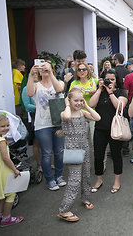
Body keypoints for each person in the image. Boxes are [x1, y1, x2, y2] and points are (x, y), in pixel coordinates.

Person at [57, 88, 101, 222]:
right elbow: (67, 117)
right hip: (73, 150)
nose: (78, 103)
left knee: (86, 175)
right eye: (75, 100)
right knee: (74, 180)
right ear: (69, 100)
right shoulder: (65, 112)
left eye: (80, 100)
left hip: (85, 148)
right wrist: (67, 105)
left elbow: (97, 117)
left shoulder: (82, 112)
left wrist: (86, 105)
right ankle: (64, 210)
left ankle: (85, 198)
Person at [26, 61, 66, 191]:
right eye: (41, 67)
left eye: (46, 67)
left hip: (58, 124)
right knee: (47, 153)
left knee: (59, 152)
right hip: (43, 125)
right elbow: (29, 93)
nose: (43, 69)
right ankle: (49, 179)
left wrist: (50, 73)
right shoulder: (37, 85)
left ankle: (59, 176)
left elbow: (59, 89)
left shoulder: (59, 82)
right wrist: (32, 75)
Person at [89, 69, 128, 194]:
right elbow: (91, 104)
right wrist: (100, 89)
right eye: (107, 79)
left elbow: (120, 107)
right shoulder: (100, 91)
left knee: (116, 155)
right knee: (98, 155)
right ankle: (99, 179)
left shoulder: (121, 92)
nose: (109, 81)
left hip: (115, 129)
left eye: (112, 79)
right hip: (100, 128)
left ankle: (117, 181)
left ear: (117, 80)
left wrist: (111, 93)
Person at [0, 114, 24, 227]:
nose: (6, 128)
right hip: (3, 170)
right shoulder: (1, 141)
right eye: (2, 126)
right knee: (11, 193)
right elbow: (5, 158)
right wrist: (15, 170)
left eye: (8, 125)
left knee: (3, 194)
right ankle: (6, 218)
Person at [21, 72, 41, 172]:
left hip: (46, 117)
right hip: (35, 118)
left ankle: (48, 163)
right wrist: (38, 107)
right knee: (36, 142)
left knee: (46, 144)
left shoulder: (43, 87)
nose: (36, 77)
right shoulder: (26, 89)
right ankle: (39, 165)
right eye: (34, 75)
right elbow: (27, 106)